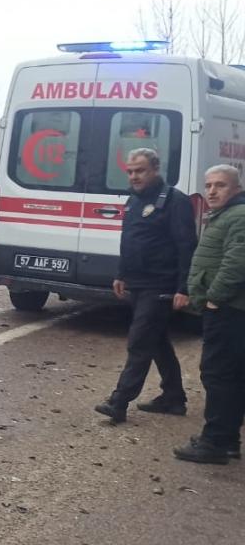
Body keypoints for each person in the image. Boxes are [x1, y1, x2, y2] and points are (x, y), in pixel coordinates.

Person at [94, 149, 195, 424]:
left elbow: (186, 247)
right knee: (157, 341)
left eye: (140, 171)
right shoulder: (134, 201)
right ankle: (173, 398)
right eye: (130, 171)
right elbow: (130, 240)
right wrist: (121, 273)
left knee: (140, 341)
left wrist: (183, 287)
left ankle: (119, 401)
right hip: (137, 283)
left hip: (161, 284)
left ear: (155, 169)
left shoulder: (176, 201)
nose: (134, 176)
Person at [173, 164, 245, 464]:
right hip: (228, 310)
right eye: (209, 185)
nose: (213, 191)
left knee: (218, 375)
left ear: (236, 189)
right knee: (231, 376)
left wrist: (214, 297)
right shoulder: (226, 215)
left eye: (221, 185)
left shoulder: (238, 216)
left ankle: (214, 442)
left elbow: (238, 260)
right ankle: (226, 439)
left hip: (229, 310)